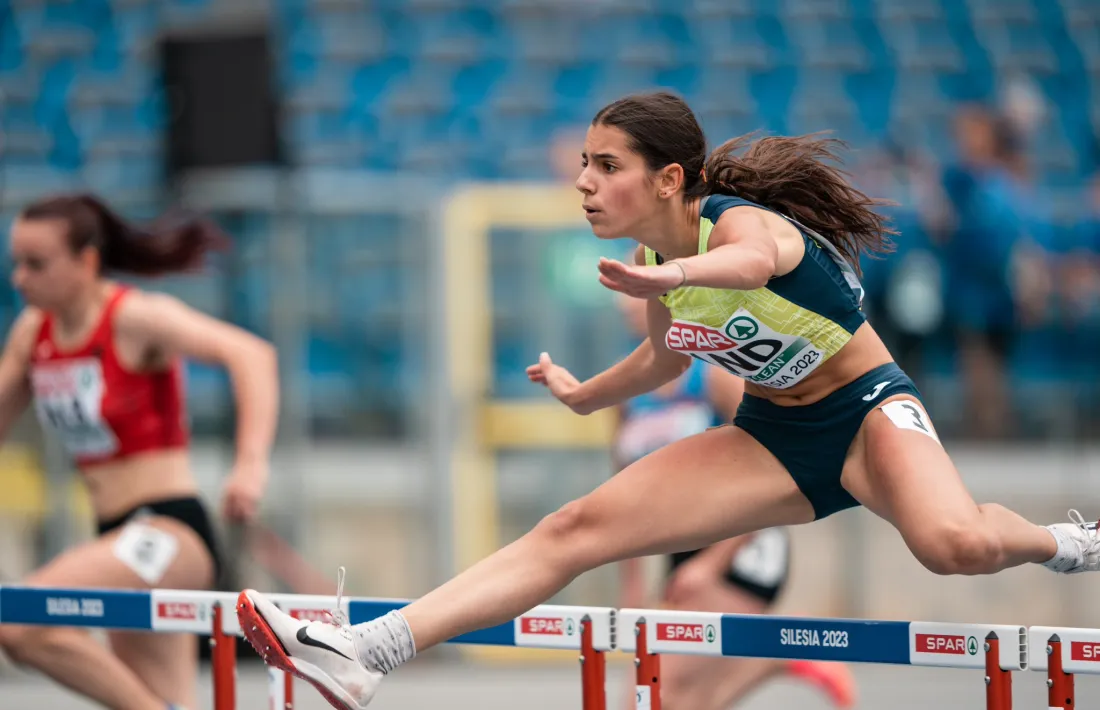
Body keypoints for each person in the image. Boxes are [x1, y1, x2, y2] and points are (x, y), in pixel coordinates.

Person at [235, 91, 1100, 710]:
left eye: (605, 165)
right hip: (775, 433)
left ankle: (1064, 541)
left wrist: (681, 271)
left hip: (867, 411)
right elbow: (657, 362)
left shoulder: (733, 227)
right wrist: (583, 397)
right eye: (582, 163)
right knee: (574, 529)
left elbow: (752, 268)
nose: (584, 181)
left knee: (956, 544)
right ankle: (368, 652)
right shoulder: (655, 272)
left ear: (667, 178)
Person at [0, 193, 279, 710]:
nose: (19, 279)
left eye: (36, 264)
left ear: (85, 261)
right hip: (115, 536)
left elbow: (252, 355)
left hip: (166, 532)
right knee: (162, 696)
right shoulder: (31, 336)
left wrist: (249, 466)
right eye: (16, 263)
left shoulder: (135, 316)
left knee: (20, 621)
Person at [611, 291, 855, 710]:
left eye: (641, 294)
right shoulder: (628, 392)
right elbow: (620, 496)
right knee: (680, 698)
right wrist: (632, 580)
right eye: (625, 298)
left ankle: (778, 655)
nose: (629, 305)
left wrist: (713, 563)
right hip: (683, 549)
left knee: (656, 693)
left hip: (744, 545)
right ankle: (779, 656)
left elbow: (766, 469)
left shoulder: (711, 378)